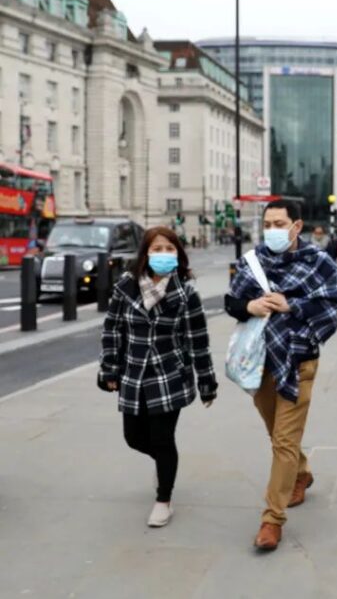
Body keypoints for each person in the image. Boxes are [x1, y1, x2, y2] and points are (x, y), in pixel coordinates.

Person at [225, 200, 337, 552]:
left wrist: (292, 305)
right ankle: (302, 473)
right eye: (268, 223)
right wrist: (250, 306)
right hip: (259, 361)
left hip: (298, 360)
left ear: (297, 226)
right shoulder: (251, 262)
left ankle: (271, 520)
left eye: (280, 223)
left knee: (282, 441)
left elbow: (335, 303)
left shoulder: (319, 263)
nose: (272, 230)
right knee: (276, 432)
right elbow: (231, 302)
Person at [98, 226, 217, 528]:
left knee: (163, 439)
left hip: (170, 375)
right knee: (133, 437)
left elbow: (198, 340)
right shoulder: (125, 287)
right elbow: (112, 329)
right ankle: (165, 465)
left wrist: (206, 383)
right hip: (133, 373)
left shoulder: (186, 293)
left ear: (178, 254)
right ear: (145, 254)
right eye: (157, 249)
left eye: (169, 249)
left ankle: (164, 498)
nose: (163, 255)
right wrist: (110, 368)